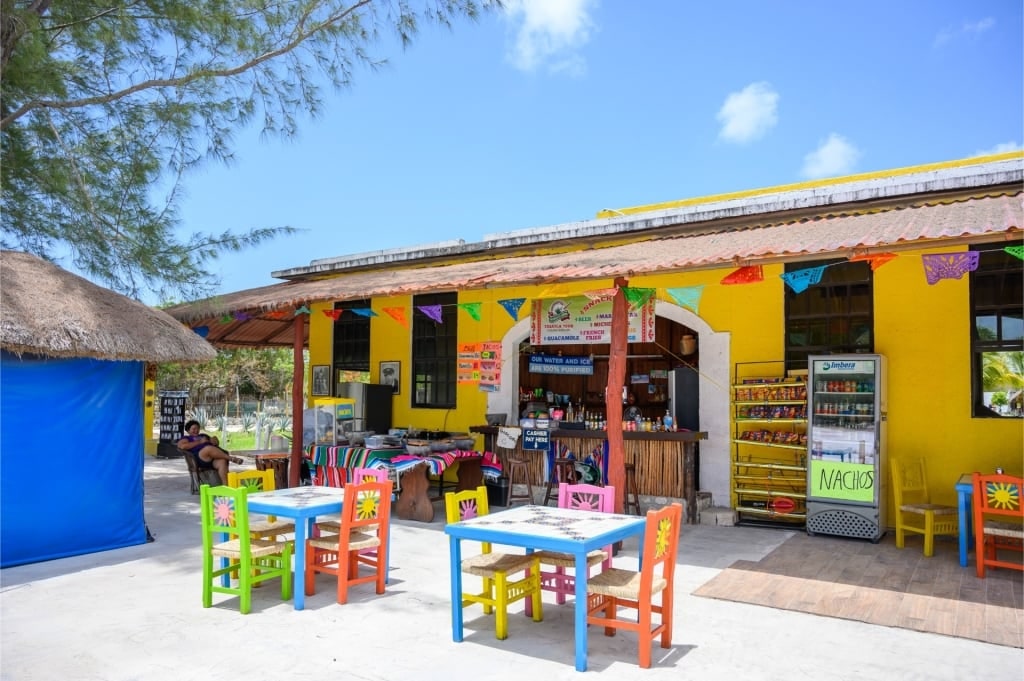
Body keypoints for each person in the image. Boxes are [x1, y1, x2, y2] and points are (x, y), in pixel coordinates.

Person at [178, 420, 243, 484]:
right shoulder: (186, 438)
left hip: (212, 458)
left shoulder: (203, 435)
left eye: (198, 428)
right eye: (194, 429)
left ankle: (225, 487)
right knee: (208, 448)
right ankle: (231, 458)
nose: (196, 430)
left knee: (222, 462)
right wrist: (199, 442)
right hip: (200, 458)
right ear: (188, 430)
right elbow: (182, 446)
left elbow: (216, 443)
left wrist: (214, 440)